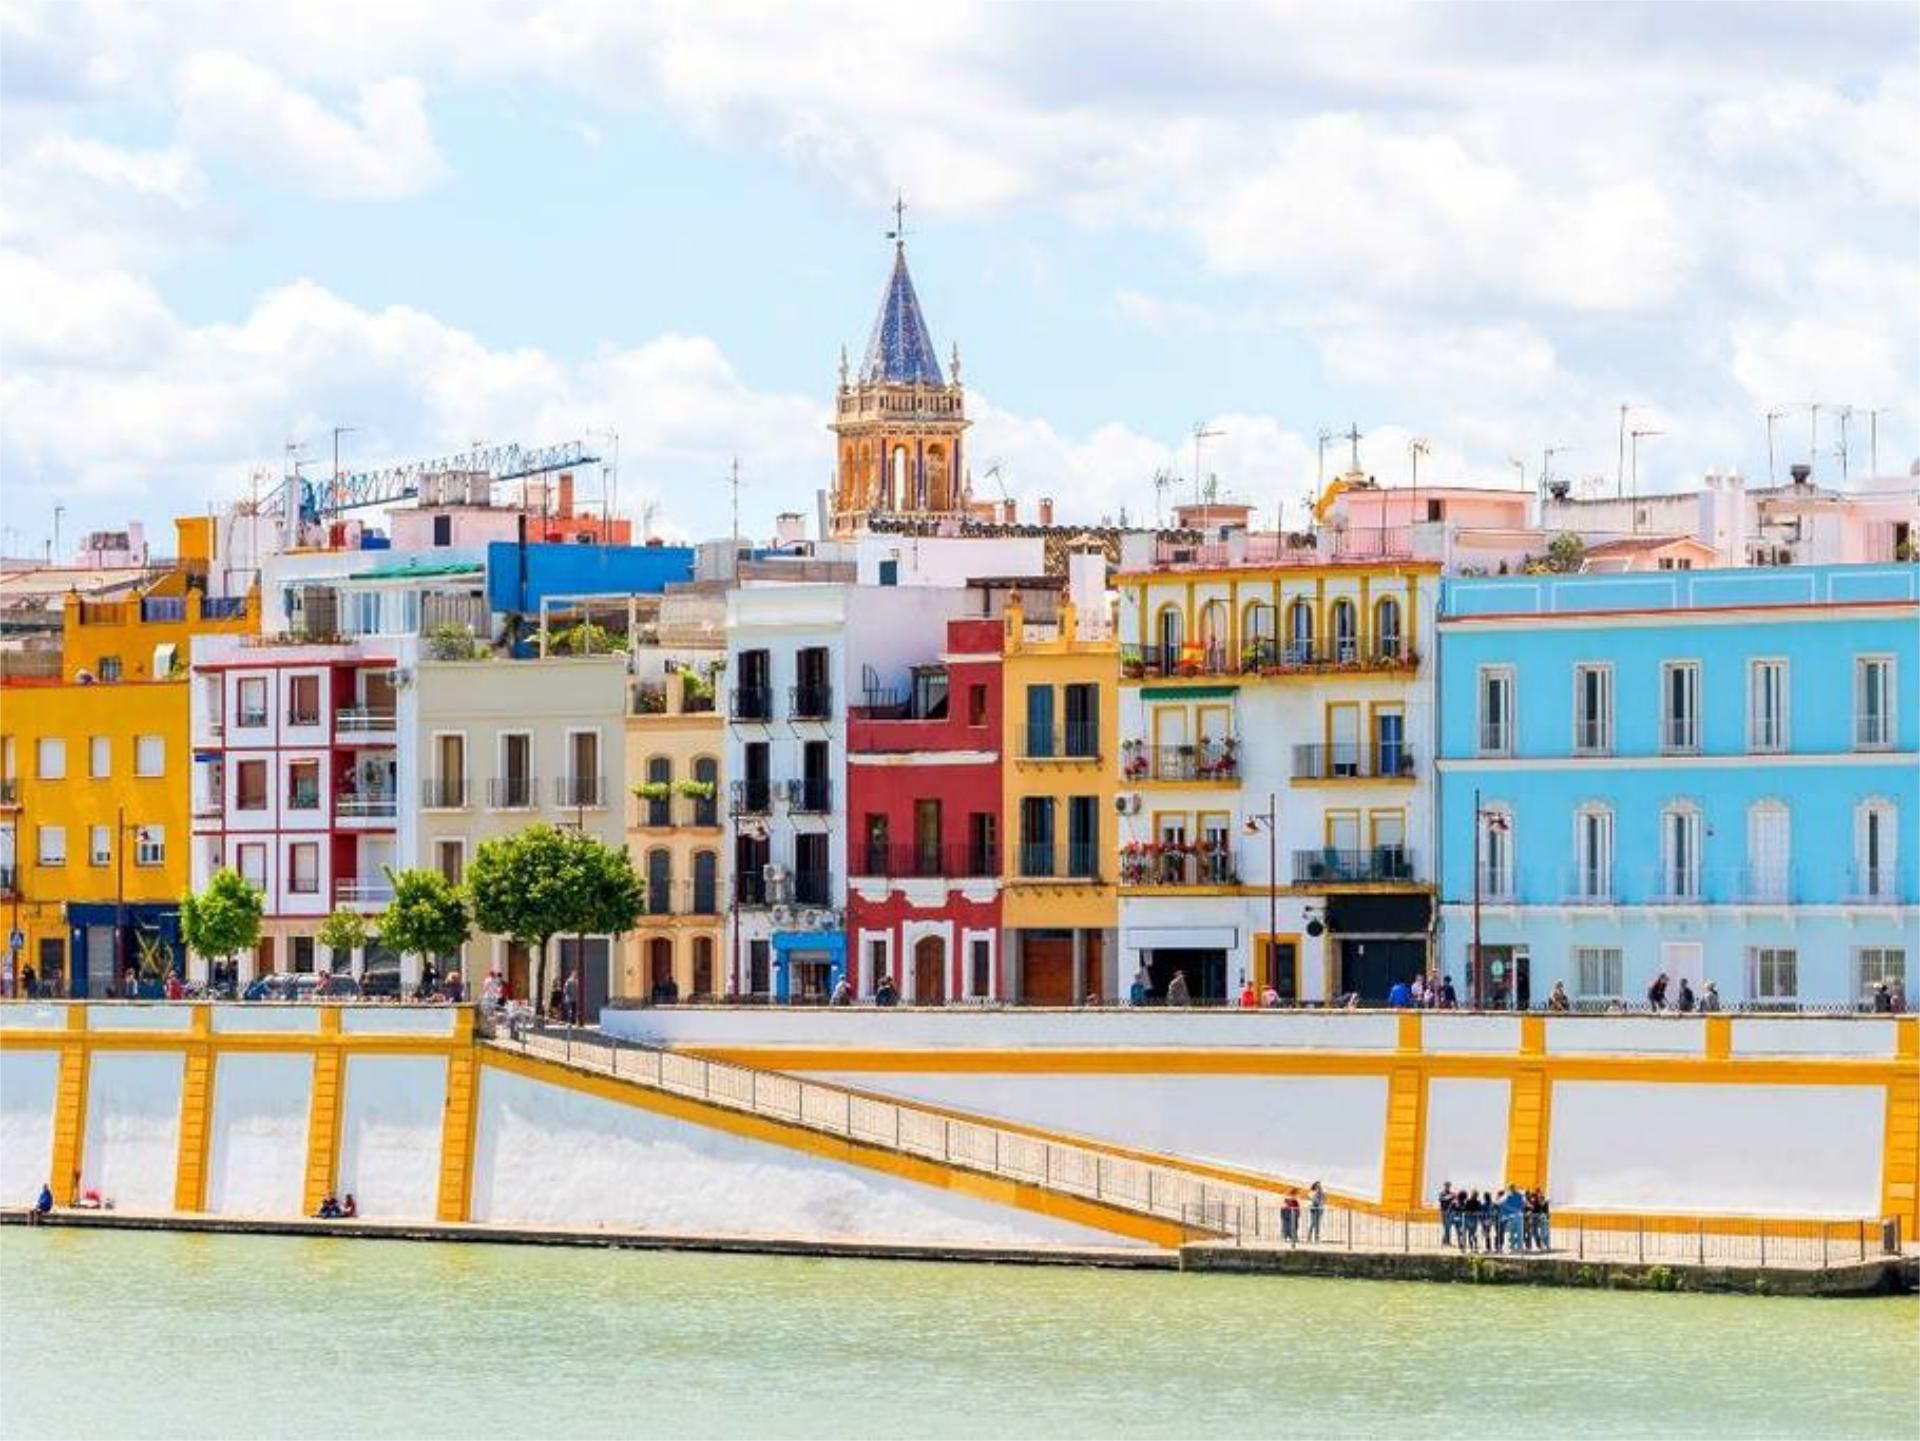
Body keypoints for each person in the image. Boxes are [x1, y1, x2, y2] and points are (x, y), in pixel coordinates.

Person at [1438, 1183, 1457, 1248]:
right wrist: (1449, 1197)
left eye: (1449, 1186)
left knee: (1448, 1227)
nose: (1448, 1187)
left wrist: (1454, 1198)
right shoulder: (1442, 1193)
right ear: (1445, 1186)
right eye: (1447, 1186)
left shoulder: (1452, 1193)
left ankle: (1446, 1241)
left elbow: (1455, 1201)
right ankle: (1446, 1242)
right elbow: (1441, 1199)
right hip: (1444, 1212)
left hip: (1450, 1212)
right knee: (1446, 1227)